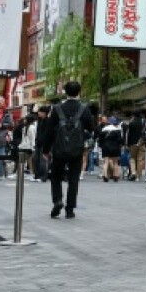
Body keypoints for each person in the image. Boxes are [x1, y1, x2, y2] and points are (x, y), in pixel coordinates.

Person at [39, 82, 95, 219]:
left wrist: (46, 149)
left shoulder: (57, 108)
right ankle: (70, 209)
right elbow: (92, 128)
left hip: (59, 149)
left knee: (56, 176)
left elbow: (49, 131)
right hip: (77, 149)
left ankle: (57, 201)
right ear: (79, 92)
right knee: (73, 179)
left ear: (65, 92)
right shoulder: (84, 109)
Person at [98, 116, 125, 182]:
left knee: (106, 162)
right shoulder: (117, 130)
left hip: (105, 147)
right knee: (115, 162)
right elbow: (120, 140)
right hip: (115, 147)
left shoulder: (104, 129)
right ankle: (115, 175)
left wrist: (101, 146)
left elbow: (100, 140)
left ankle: (105, 175)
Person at [125, 110, 146, 181]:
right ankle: (138, 176)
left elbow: (129, 134)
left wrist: (127, 144)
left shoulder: (131, 123)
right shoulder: (144, 122)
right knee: (140, 159)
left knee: (132, 159)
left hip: (133, 143)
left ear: (133, 115)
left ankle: (133, 172)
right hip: (142, 143)